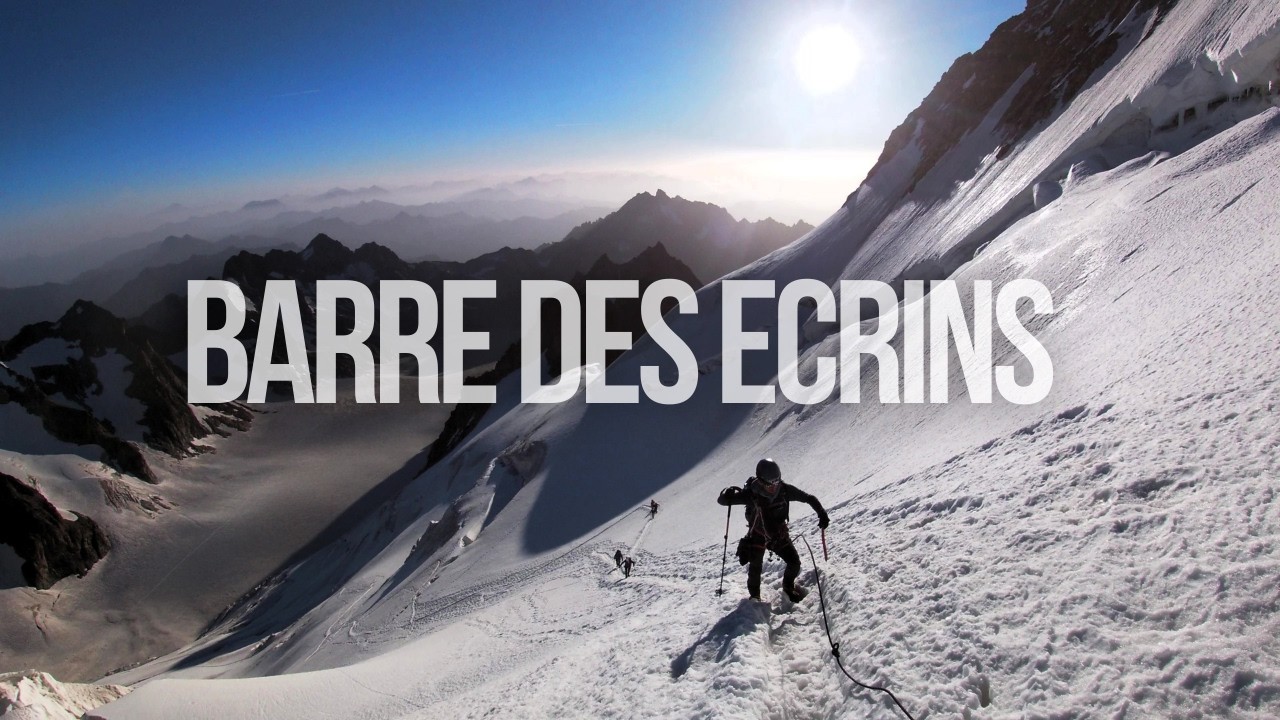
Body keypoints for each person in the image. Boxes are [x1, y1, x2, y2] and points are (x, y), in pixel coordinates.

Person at [717, 458, 829, 602]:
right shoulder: (752, 494)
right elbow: (723, 501)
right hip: (757, 535)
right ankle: (755, 597)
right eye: (771, 483)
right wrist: (727, 494)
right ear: (761, 481)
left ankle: (788, 587)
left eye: (777, 481)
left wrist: (822, 513)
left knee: (794, 563)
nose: (774, 486)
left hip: (778, 534)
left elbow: (808, 498)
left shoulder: (784, 490)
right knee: (755, 567)